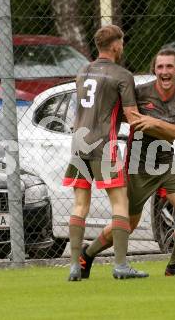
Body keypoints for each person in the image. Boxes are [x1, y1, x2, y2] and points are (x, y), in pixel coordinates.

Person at [79, 48, 175, 277]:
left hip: (166, 163)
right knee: (128, 225)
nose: (164, 71)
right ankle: (88, 254)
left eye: (169, 67)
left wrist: (154, 124)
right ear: (154, 70)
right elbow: (117, 114)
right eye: (160, 67)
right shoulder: (140, 93)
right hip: (138, 167)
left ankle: (173, 267)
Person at [63, 24, 148, 281]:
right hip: (105, 144)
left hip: (79, 144)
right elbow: (132, 116)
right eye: (121, 42)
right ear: (115, 45)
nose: (123, 47)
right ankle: (121, 265)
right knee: (120, 203)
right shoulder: (121, 74)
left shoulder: (83, 71)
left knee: (80, 205)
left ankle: (75, 266)